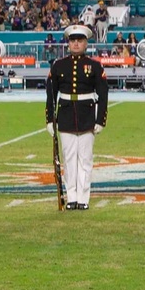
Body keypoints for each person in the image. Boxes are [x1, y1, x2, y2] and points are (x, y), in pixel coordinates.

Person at [46, 23, 108, 210]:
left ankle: (84, 197)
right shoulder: (58, 65)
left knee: (85, 160)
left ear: (86, 43)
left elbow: (103, 94)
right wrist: (50, 119)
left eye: (79, 40)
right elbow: (50, 95)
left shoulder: (94, 66)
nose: (75, 44)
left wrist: (100, 119)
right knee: (69, 159)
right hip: (65, 115)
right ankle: (71, 196)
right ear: (68, 43)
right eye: (73, 40)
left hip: (87, 115)